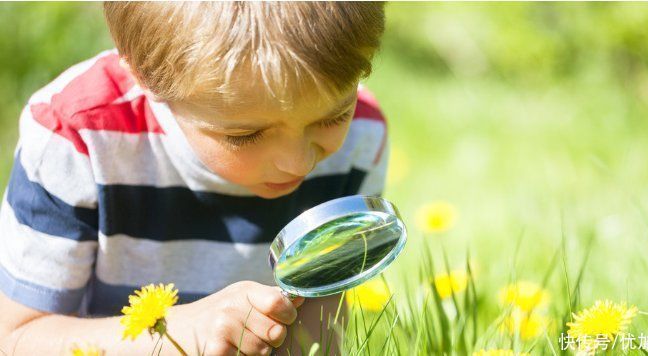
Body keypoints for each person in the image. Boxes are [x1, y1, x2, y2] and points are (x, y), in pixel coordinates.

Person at [0, 2, 388, 355]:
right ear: (145, 77)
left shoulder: (362, 138)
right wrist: (178, 334)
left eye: (332, 116)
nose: (299, 163)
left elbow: (320, 326)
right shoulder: (79, 139)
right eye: (245, 135)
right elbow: (16, 337)